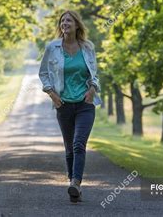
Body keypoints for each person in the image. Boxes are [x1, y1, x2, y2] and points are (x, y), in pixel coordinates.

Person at [38, 10, 102, 203]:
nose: (65, 23)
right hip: (63, 105)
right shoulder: (52, 48)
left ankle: (75, 183)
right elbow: (43, 73)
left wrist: (92, 88)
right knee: (69, 149)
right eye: (62, 21)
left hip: (85, 105)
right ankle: (74, 187)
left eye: (69, 20)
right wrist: (52, 94)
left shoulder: (87, 47)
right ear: (60, 26)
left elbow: (95, 75)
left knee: (78, 143)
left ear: (76, 25)